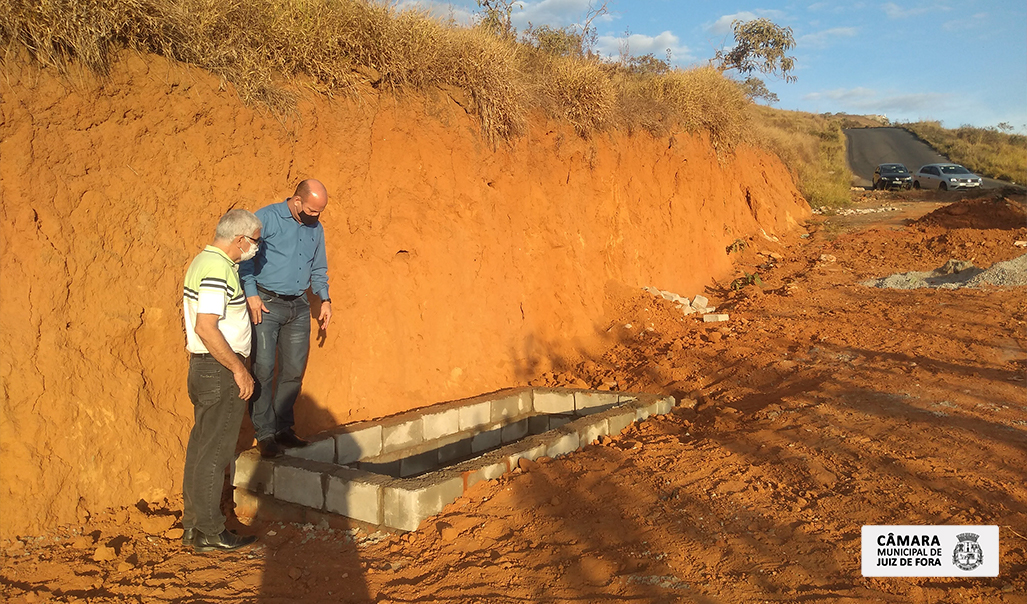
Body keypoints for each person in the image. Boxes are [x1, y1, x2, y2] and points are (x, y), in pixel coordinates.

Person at [181, 208, 262, 553]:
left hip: (205, 369)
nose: (256, 248)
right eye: (254, 242)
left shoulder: (204, 262)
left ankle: (193, 526)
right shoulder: (216, 268)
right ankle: (211, 532)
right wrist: (239, 369)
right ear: (240, 239)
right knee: (215, 453)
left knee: (201, 448)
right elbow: (206, 326)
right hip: (220, 371)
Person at [240, 180, 332, 459]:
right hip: (266, 303)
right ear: (297, 201)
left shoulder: (316, 229)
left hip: (299, 306)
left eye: (320, 212)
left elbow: (318, 266)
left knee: (293, 371)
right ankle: (264, 434)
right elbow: (245, 257)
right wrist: (251, 293)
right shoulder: (266, 218)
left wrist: (324, 299)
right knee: (264, 369)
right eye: (313, 211)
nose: (316, 217)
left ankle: (283, 429)